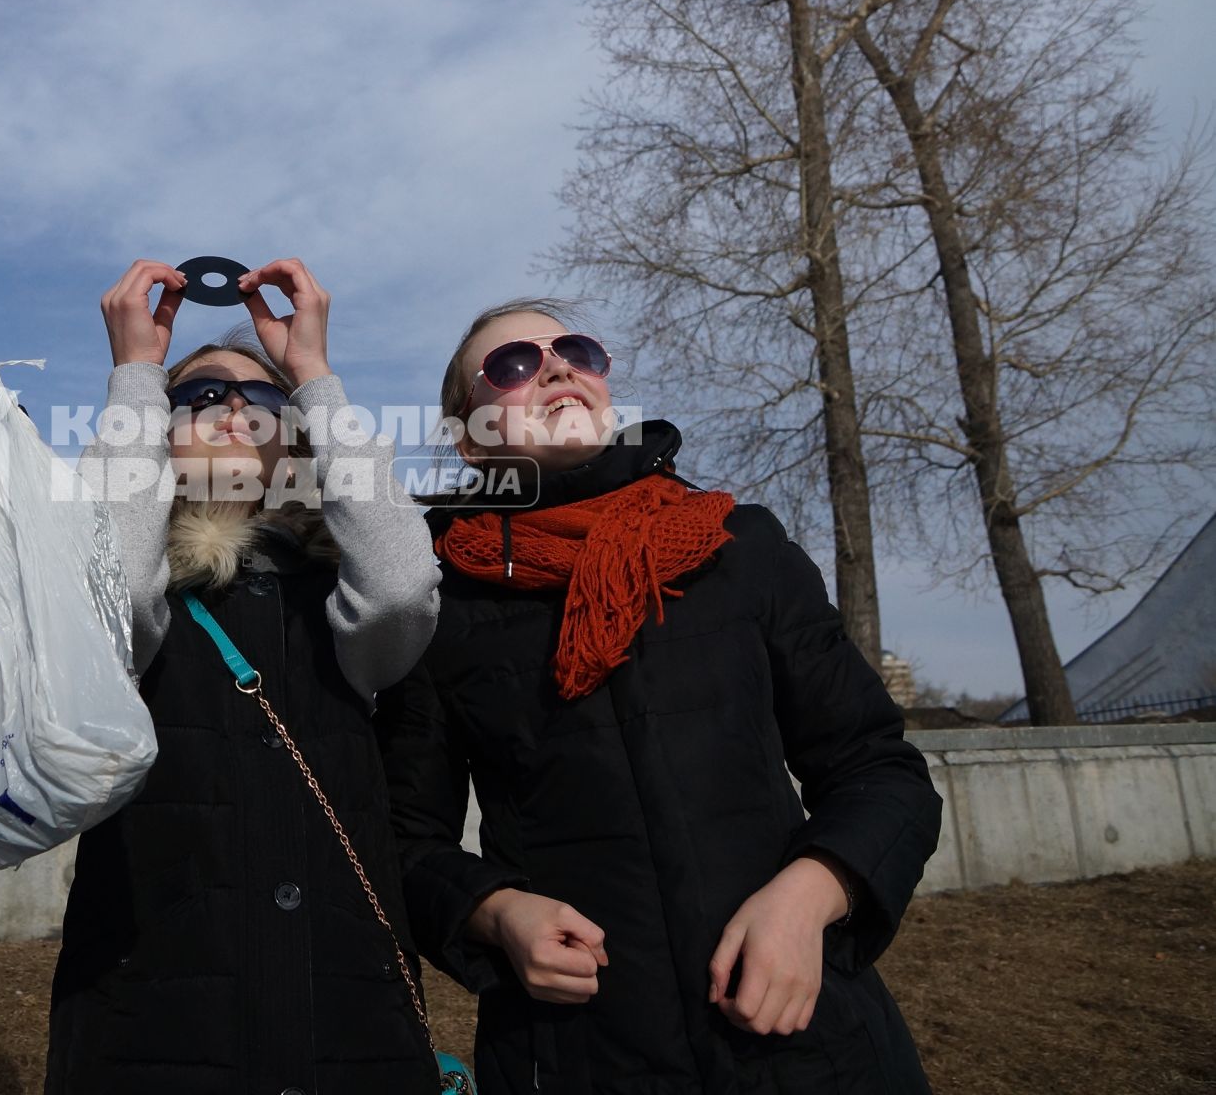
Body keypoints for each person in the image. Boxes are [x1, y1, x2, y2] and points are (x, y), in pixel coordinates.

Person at [375, 297, 943, 1093]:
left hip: (809, 1046)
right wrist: (494, 912)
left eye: (574, 350)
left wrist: (810, 897)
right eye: (512, 365)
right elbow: (401, 837)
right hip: (577, 1054)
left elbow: (881, 772)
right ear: (471, 438)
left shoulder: (740, 548)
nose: (558, 367)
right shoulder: (443, 603)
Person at [45, 258, 443, 1094]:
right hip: (153, 1035)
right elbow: (106, 603)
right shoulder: (149, 606)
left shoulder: (341, 605)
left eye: (260, 402)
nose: (233, 410)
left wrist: (315, 378)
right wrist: (135, 376)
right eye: (197, 399)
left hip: (349, 1030)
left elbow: (404, 589)